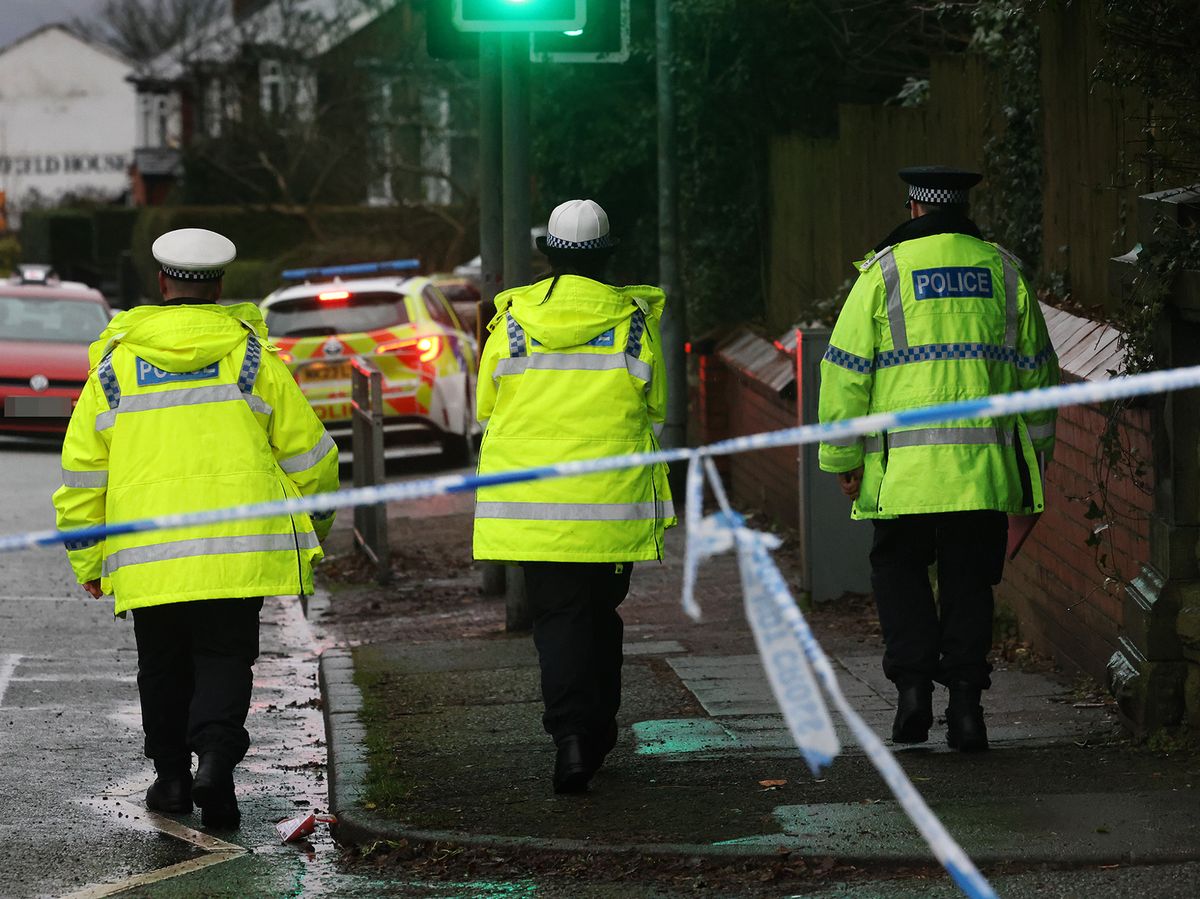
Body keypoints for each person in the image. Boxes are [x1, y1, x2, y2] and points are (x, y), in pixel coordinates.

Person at [52, 228, 339, 827]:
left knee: (162, 664)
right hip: (239, 549)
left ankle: (173, 781)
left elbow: (83, 475)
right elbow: (313, 457)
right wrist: (314, 531)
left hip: (150, 551)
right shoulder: (253, 358)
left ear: (162, 282)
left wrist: (87, 559)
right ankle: (216, 765)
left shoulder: (114, 367)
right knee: (225, 658)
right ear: (220, 285)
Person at [818, 167, 1059, 752]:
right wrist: (1034, 459)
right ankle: (969, 712)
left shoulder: (884, 273)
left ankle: (912, 695)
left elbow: (845, 374)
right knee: (969, 583)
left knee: (898, 572)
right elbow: (1039, 378)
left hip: (905, 473)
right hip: (983, 473)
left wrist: (844, 459)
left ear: (914, 208)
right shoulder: (1004, 273)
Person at [473, 199, 676, 793]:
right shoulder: (633, 321)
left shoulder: (511, 322)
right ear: (609, 254)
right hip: (611, 505)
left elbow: (487, 408)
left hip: (534, 508)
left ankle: (569, 740)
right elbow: (655, 411)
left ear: (549, 254)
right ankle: (596, 730)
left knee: (557, 620)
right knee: (599, 616)